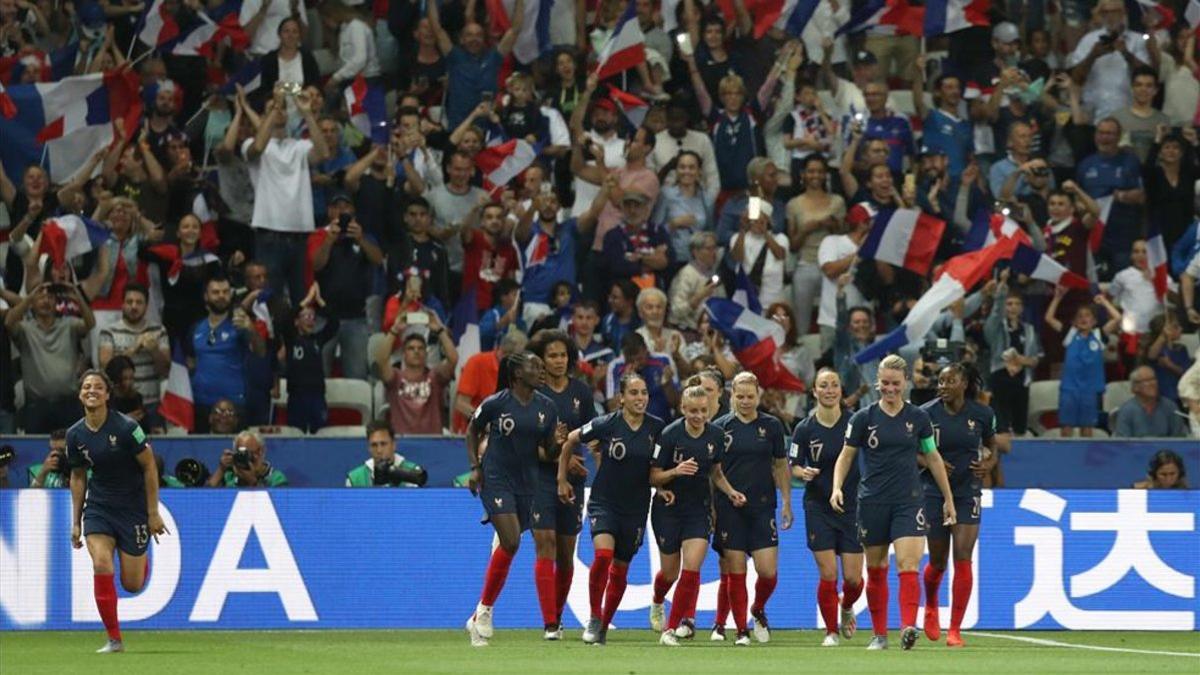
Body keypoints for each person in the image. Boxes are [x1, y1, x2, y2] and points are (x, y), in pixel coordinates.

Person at [830, 354, 956, 651]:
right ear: (877, 384)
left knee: (908, 563)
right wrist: (837, 487)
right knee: (876, 567)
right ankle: (879, 635)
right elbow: (846, 456)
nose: (889, 389)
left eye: (895, 384)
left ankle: (908, 627)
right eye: (884, 383)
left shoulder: (918, 418)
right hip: (872, 501)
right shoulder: (863, 419)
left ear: (906, 383)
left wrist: (948, 498)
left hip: (908, 501)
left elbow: (933, 457)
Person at [559, 372, 664, 646]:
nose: (639, 398)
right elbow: (570, 439)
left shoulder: (657, 428)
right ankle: (594, 616)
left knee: (620, 569)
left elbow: (658, 467)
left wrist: (664, 485)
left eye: (643, 393)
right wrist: (562, 480)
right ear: (622, 397)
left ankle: (604, 624)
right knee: (603, 556)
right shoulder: (606, 424)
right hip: (604, 502)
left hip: (637, 507)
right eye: (634, 393)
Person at [67, 370, 168, 653]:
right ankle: (114, 639)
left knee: (132, 584)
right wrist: (75, 521)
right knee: (101, 563)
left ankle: (139, 557)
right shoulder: (75, 435)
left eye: (98, 387)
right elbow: (77, 476)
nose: (92, 391)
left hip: (132, 508)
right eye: (86, 386)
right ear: (80, 394)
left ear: (107, 395)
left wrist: (152, 513)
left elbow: (149, 466)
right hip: (99, 507)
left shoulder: (126, 428)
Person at [463, 352, 559, 646]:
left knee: (506, 545)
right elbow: (472, 429)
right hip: (496, 478)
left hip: (527, 484)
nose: (541, 371)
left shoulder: (547, 407)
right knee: (512, 540)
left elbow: (548, 451)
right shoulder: (496, 403)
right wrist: (475, 468)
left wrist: (558, 444)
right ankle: (485, 611)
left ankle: (477, 615)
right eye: (535, 366)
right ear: (517, 373)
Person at [650, 385, 743, 646]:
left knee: (691, 569)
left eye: (703, 411)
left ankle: (670, 629)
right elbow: (653, 475)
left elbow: (716, 473)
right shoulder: (669, 435)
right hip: (668, 509)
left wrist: (731, 491)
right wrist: (675, 472)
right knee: (670, 573)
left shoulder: (716, 435)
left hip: (698, 510)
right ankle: (658, 600)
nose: (698, 416)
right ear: (682, 409)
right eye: (693, 411)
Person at [919, 364, 997, 648]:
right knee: (938, 560)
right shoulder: (925, 413)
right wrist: (930, 461)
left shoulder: (982, 414)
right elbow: (913, 450)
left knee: (963, 556)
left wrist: (989, 462)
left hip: (968, 490)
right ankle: (930, 605)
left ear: (964, 383)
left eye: (949, 381)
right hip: (933, 491)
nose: (942, 385)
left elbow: (992, 444)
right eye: (940, 381)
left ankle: (954, 630)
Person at [712, 372, 791, 646]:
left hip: (762, 507)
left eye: (750, 396)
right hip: (729, 508)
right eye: (740, 396)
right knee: (736, 571)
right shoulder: (720, 427)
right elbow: (714, 471)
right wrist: (722, 499)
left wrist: (787, 502)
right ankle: (741, 630)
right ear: (731, 396)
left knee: (768, 572)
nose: (745, 401)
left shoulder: (772, 426)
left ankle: (758, 608)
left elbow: (780, 465)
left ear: (759, 395)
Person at [529, 330, 597, 639]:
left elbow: (591, 432)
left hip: (575, 479)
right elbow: (525, 439)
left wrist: (598, 455)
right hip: (539, 476)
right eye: (552, 355)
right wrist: (562, 459)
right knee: (545, 543)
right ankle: (549, 623)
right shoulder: (532, 394)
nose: (558, 361)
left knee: (567, 551)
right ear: (541, 361)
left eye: (562, 355)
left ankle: (557, 613)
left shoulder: (580, 392)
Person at [790, 369, 863, 646]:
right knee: (829, 574)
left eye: (834, 385)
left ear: (841, 391)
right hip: (818, 506)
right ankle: (830, 631)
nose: (830, 390)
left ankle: (846, 606)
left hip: (852, 505)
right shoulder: (805, 428)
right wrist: (802, 472)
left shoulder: (854, 423)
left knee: (854, 580)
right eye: (824, 385)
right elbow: (793, 464)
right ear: (814, 391)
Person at [6, 282, 94, 433]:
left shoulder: (69, 325)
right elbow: (8, 322)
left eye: (50, 297)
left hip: (68, 404)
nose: (46, 301)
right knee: (37, 453)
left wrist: (77, 297)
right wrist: (30, 297)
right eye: (41, 297)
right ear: (32, 303)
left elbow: (90, 323)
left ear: (57, 303)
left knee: (72, 451)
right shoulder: (25, 329)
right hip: (36, 406)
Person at [1044, 287, 1123, 437]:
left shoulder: (1099, 335)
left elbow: (1118, 318)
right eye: (1079, 316)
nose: (1083, 319)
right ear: (1074, 321)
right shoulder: (1070, 333)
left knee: (1087, 428)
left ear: (1094, 321)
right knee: (1066, 428)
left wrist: (1104, 301)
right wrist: (1057, 298)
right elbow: (1049, 318)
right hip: (1069, 389)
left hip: (1090, 390)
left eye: (1087, 316)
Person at [378, 309, 458, 435]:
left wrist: (439, 330)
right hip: (402, 441)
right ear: (404, 354)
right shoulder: (395, 377)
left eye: (421, 348)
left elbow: (453, 359)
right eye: (411, 348)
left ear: (426, 353)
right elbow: (381, 361)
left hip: (432, 441)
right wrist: (394, 330)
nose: (416, 351)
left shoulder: (435, 376)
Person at [344, 420, 428, 487]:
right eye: (374, 445)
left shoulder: (413, 473)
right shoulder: (354, 479)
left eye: (383, 444)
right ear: (369, 448)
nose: (379, 450)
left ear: (394, 445)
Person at [1112, 367, 1188, 438]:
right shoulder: (1126, 411)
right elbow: (1122, 444)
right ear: (1135, 387)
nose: (1152, 383)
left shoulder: (1170, 407)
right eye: (1146, 381)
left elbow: (1179, 438)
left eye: (1153, 379)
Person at [207, 430, 288, 487]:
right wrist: (221, 470)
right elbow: (204, 499)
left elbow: (274, 507)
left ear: (262, 451)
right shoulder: (229, 475)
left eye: (250, 453)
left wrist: (252, 482)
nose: (246, 459)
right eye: (241, 454)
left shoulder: (277, 478)